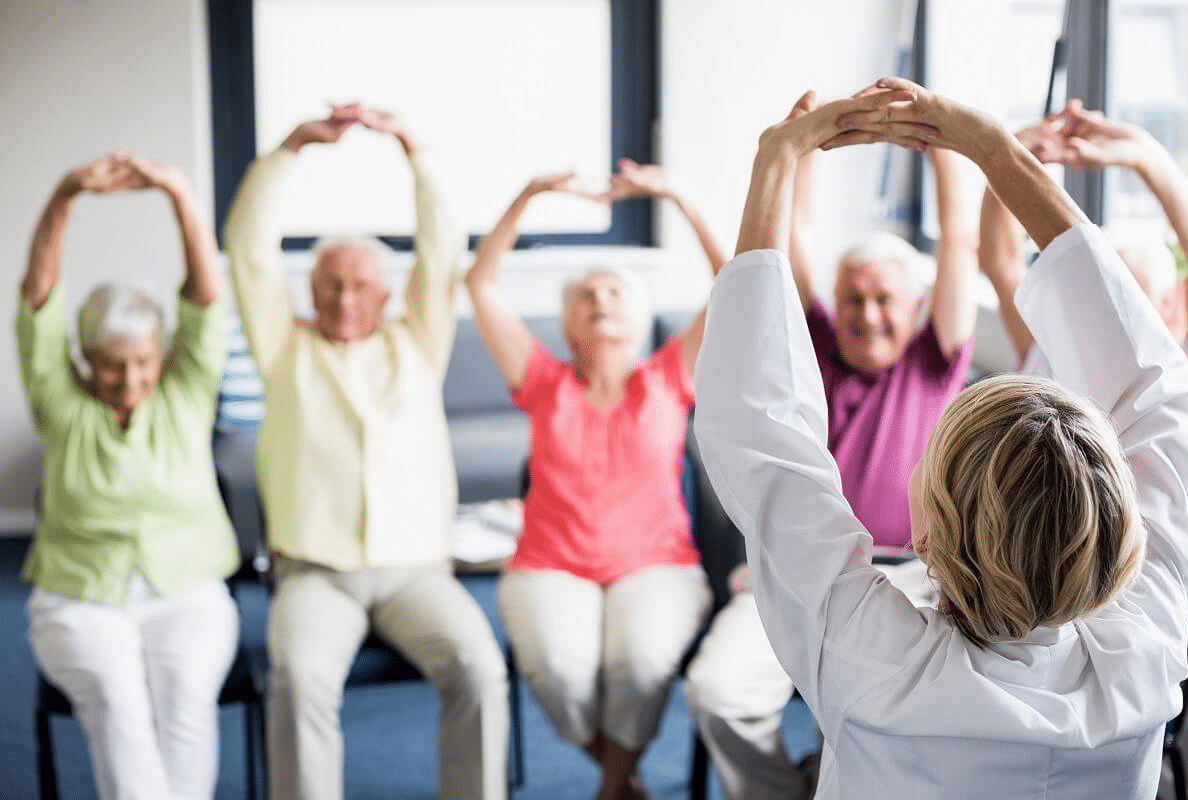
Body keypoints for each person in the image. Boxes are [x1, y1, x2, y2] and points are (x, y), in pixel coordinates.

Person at [693, 76, 1188, 799]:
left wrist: (776, 158)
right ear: (1120, 529)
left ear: (925, 542)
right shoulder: (1145, 655)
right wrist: (992, 148)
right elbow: (1158, 392)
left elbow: (758, 427)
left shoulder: (874, 662)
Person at [682, 90, 974, 800]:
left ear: (912, 308)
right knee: (717, 692)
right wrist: (801, 147)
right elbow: (790, 238)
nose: (867, 316)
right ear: (832, 304)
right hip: (797, 575)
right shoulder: (812, 342)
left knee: (903, 718)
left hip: (917, 579)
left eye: (883, 301)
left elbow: (960, 239)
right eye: (853, 300)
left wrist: (937, 147)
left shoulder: (934, 358)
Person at [222, 106, 508, 800]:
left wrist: (415, 150)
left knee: (479, 666)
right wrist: (289, 150)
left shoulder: (417, 344)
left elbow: (442, 252)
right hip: (316, 573)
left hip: (417, 574)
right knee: (298, 678)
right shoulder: (285, 348)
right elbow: (248, 250)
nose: (346, 298)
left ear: (386, 294)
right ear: (310, 290)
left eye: (359, 285)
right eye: (330, 285)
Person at [465, 160, 721, 800]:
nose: (601, 301)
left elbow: (735, 281)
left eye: (615, 293)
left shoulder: (667, 377)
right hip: (550, 563)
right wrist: (528, 191)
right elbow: (480, 282)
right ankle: (624, 777)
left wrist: (680, 195)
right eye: (587, 296)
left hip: (658, 563)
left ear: (637, 320)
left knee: (639, 663)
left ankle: (610, 789)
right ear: (569, 324)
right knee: (560, 671)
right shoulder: (542, 380)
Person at [17, 152, 240, 800]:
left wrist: (177, 193)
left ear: (161, 354)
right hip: (79, 598)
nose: (131, 379)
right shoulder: (61, 404)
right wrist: (63, 197)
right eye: (112, 365)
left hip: (188, 590)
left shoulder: (186, 392)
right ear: (85, 361)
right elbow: (38, 305)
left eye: (143, 361)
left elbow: (205, 297)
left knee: (187, 697)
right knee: (118, 702)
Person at [979, 100, 1188, 373]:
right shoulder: (1056, 357)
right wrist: (1012, 150)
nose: (1111, 312)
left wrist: (1143, 155)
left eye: (1130, 296)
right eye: (1104, 294)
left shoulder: (1184, 377)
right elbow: (1000, 260)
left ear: (1168, 303)